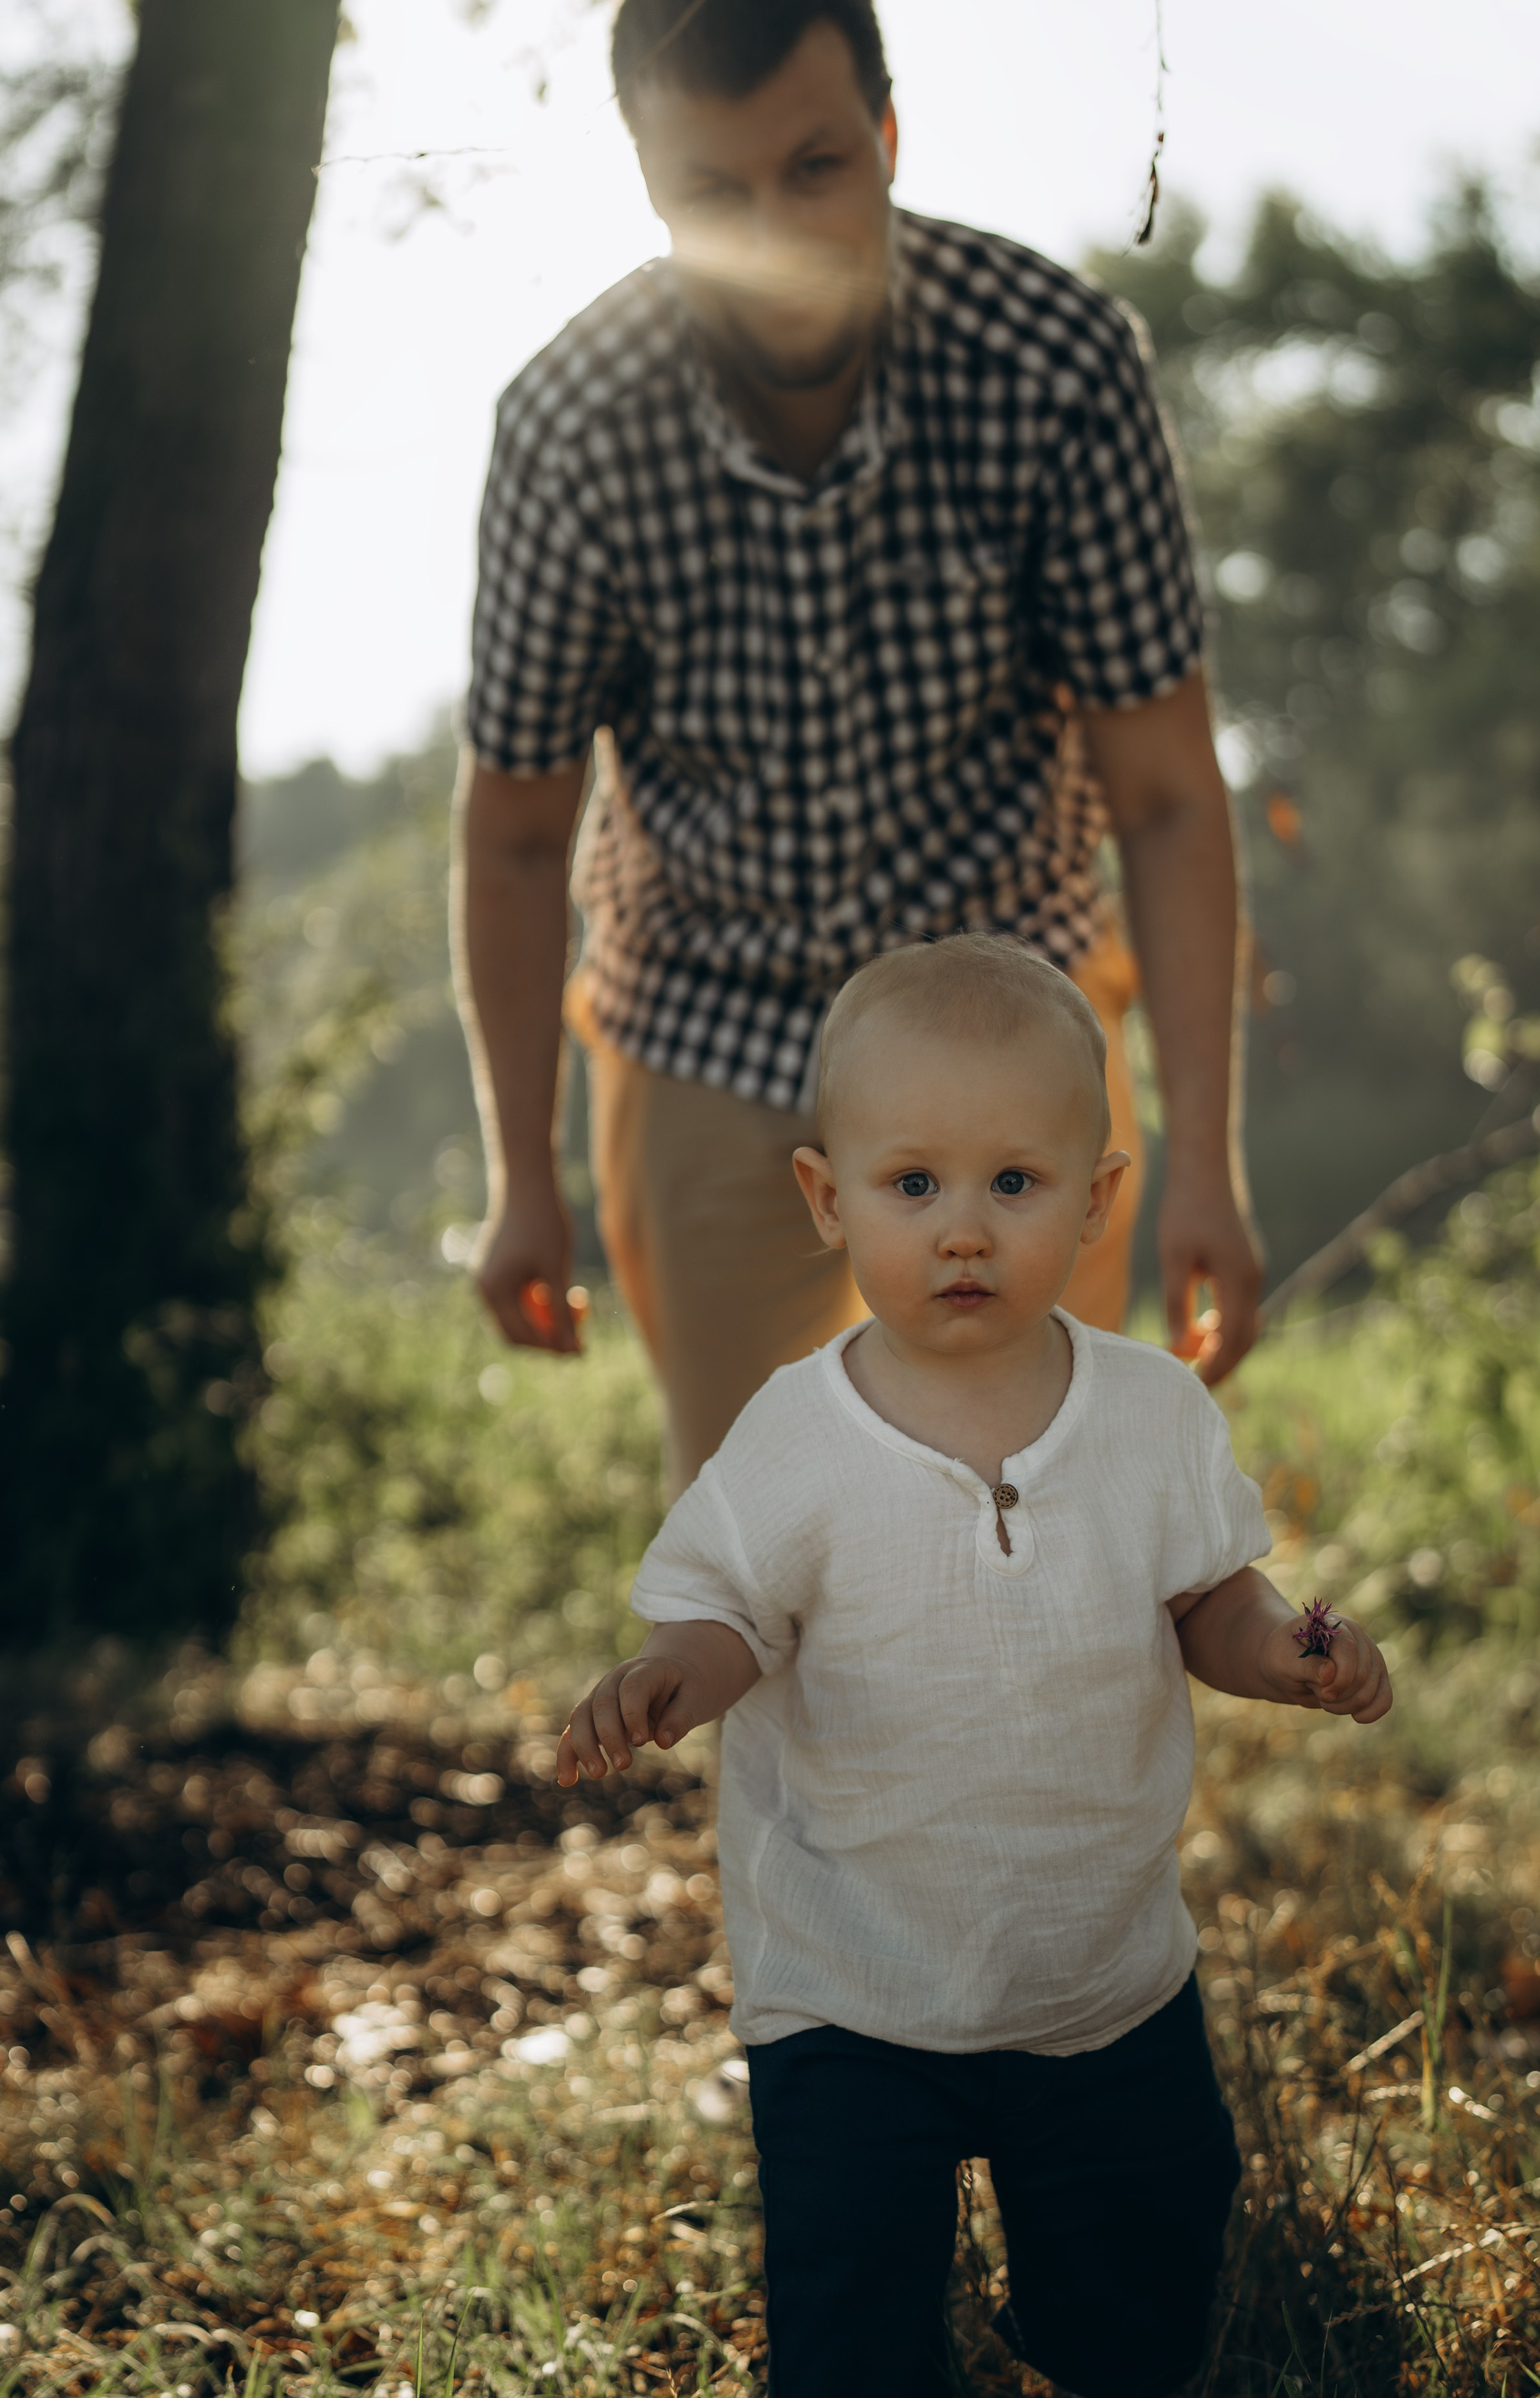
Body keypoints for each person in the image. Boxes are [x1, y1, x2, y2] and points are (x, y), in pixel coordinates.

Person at [554, 936, 1392, 2398]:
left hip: (1091, 1958)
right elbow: (723, 1608)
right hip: (852, 1971)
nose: (959, 1227)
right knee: (849, 2278)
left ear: (1095, 1198)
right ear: (824, 1195)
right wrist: (671, 1679)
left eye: (1011, 1182)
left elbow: (1204, 1600)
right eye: (911, 1181)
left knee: (1145, 2219)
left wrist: (1280, 1655)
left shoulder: (1151, 1418)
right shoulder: (797, 1434)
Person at [457, 0, 1263, 1487]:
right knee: (760, 1560)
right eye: (714, 193)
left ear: (885, 140)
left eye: (815, 168)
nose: (775, 230)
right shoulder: (571, 425)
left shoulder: (1055, 368)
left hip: (1014, 1006)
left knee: (1042, 1523)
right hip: (706, 1020)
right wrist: (522, 1177)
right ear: (648, 186)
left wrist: (1203, 1161)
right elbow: (512, 833)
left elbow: (1159, 797)